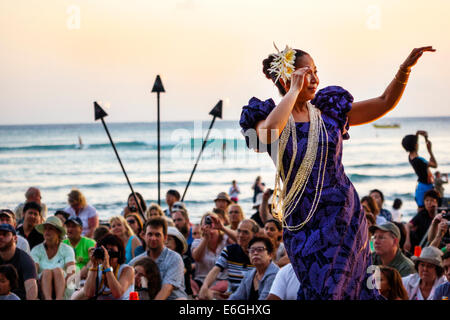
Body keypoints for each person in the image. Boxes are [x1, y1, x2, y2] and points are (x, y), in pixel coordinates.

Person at [240, 44, 434, 299]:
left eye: (316, 71)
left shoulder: (328, 112)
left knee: (352, 287)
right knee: (321, 288)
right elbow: (267, 134)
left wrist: (404, 69)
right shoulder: (266, 116)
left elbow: (384, 103)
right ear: (288, 77)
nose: (315, 79)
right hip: (303, 219)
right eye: (306, 72)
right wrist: (293, 91)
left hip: (344, 215)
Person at [198, 219, 259, 300]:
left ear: (254, 235)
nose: (240, 235)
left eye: (245, 232)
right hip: (232, 295)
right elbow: (215, 270)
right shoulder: (230, 250)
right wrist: (205, 286)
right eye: (239, 231)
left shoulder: (259, 253)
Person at [129, 217, 187, 300]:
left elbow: (167, 289)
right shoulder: (135, 262)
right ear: (144, 236)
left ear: (165, 237)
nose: (153, 238)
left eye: (157, 235)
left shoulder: (174, 258)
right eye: (150, 234)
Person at [30, 216, 76, 300]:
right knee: (47, 272)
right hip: (42, 286)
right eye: (45, 229)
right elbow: (33, 273)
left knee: (57, 271)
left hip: (64, 286)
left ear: (58, 232)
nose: (47, 231)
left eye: (50, 228)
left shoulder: (67, 249)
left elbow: (71, 273)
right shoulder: (36, 250)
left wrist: (59, 286)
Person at [83, 234, 135, 300]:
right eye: (105, 251)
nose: (107, 255)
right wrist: (94, 265)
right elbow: (88, 293)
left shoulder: (127, 270)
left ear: (119, 253)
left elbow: (118, 294)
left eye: (111, 251)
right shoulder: (97, 269)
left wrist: (107, 267)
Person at [0, 223, 38, 300]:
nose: (1, 237)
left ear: (15, 238)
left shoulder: (25, 260)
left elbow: (31, 291)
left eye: (5, 234)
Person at [191, 213, 228, 289]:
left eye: (212, 225)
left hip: (222, 281)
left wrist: (222, 228)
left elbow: (240, 240)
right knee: (191, 283)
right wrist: (205, 239)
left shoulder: (226, 239)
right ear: (201, 227)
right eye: (206, 225)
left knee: (223, 286)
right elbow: (196, 257)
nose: (211, 230)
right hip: (201, 280)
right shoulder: (197, 242)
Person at [401, 131, 437, 209]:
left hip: (421, 186)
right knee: (426, 210)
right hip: (426, 187)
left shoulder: (410, 157)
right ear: (416, 145)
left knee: (421, 209)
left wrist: (420, 135)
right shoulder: (420, 160)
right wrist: (430, 151)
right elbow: (435, 165)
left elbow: (412, 143)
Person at [404, 189, 440, 253]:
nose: (429, 203)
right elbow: (407, 225)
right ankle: (415, 259)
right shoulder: (422, 214)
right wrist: (407, 241)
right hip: (420, 244)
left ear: (437, 202)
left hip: (434, 245)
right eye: (427, 200)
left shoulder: (440, 216)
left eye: (432, 200)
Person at [165, 226, 193, 297]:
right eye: (164, 239)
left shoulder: (185, 259)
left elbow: (180, 271)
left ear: (177, 243)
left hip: (184, 294)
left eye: (169, 239)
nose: (166, 242)